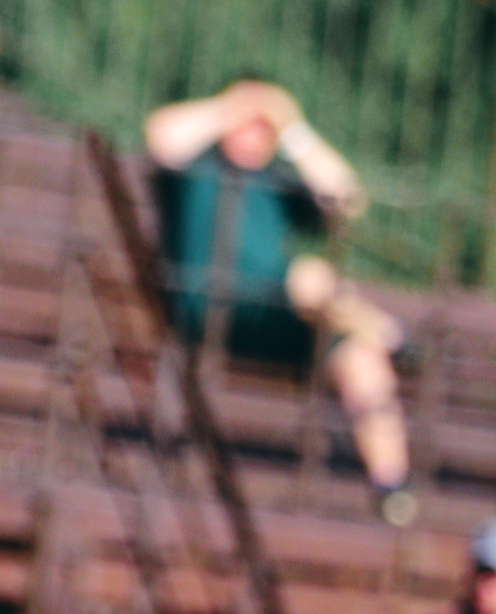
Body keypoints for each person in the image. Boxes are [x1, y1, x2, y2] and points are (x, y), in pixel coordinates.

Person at [143, 79, 414, 523]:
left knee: (360, 357)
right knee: (312, 277)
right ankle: (391, 335)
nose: (255, 131)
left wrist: (293, 130)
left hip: (275, 316)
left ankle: (391, 487)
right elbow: (160, 133)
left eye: (264, 124)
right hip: (209, 308)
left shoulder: (277, 179)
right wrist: (233, 105)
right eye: (248, 121)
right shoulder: (195, 166)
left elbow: (347, 197)